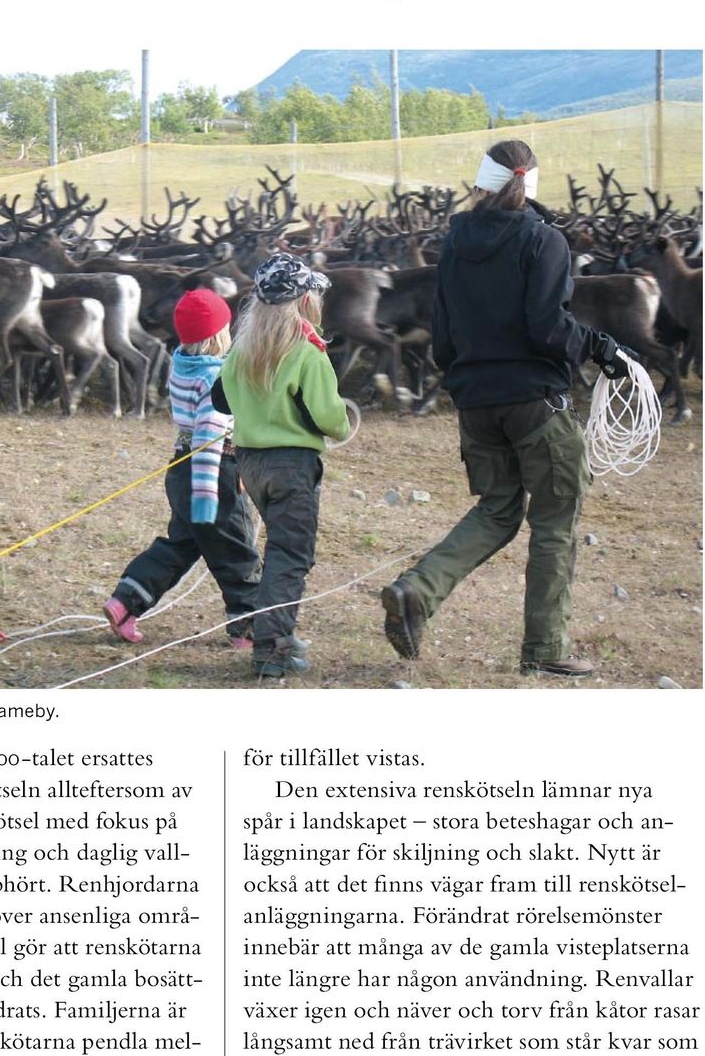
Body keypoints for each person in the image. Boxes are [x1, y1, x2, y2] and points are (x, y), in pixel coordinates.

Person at [379, 139, 629, 679]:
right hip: (536, 402)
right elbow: (547, 327)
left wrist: (465, 380)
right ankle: (544, 648)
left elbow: (442, 335)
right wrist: (600, 347)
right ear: (532, 183)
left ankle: (417, 590)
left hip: (475, 402)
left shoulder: (452, 244)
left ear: (481, 182)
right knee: (555, 521)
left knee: (496, 511)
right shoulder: (545, 242)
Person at [213, 253, 350, 679]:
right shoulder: (309, 353)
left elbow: (222, 400)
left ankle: (274, 633)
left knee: (276, 552)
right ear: (304, 298)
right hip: (292, 465)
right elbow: (331, 420)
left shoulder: (241, 349)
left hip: (250, 465)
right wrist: (342, 421)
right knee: (290, 555)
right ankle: (272, 649)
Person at [103, 289, 261, 648]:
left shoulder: (183, 364)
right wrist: (208, 497)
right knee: (235, 547)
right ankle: (248, 628)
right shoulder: (215, 379)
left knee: (181, 544)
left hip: (180, 467)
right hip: (213, 472)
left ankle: (125, 602)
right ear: (221, 335)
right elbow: (209, 434)